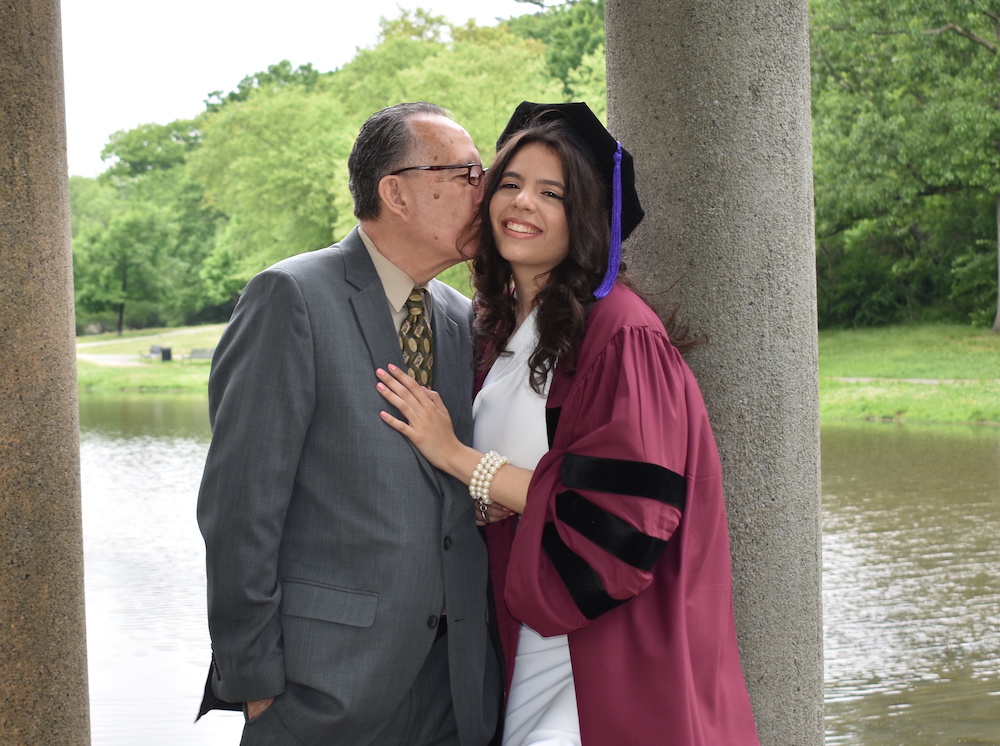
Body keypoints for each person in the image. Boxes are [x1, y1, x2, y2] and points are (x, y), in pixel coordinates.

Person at [375, 101, 760, 745]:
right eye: (511, 183)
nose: (523, 203)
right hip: (527, 634)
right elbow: (535, 485)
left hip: (607, 644)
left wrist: (458, 457)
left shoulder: (620, 333)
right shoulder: (496, 329)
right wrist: (484, 499)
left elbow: (621, 515)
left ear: (584, 216)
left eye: (551, 193)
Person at [196, 101, 502, 746]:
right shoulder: (291, 297)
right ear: (397, 192)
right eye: (468, 174)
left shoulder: (460, 318)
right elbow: (240, 508)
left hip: (456, 690)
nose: (488, 190)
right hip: (325, 690)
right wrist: (255, 682)